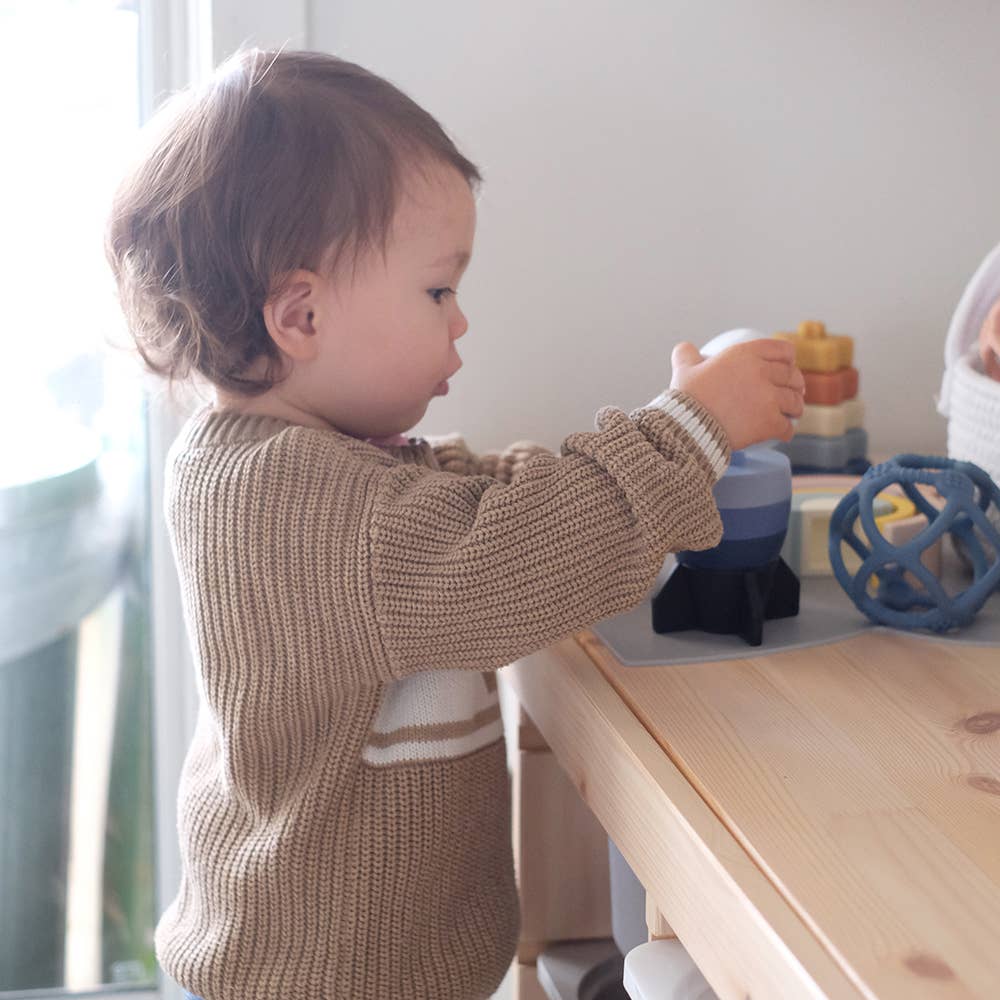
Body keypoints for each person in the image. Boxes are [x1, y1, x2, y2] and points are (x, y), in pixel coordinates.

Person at [106, 48, 804, 1000]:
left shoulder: (310, 465)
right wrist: (688, 432)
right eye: (439, 291)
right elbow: (500, 561)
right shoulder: (294, 502)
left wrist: (667, 446)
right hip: (324, 983)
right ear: (301, 316)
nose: (460, 320)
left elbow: (474, 501)